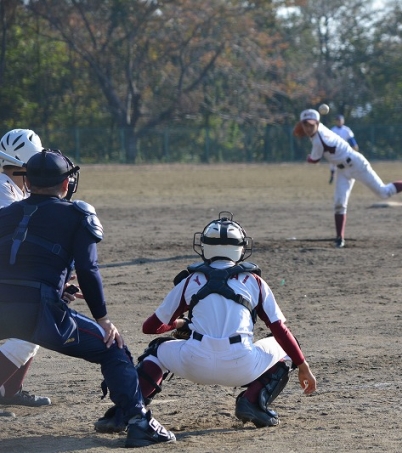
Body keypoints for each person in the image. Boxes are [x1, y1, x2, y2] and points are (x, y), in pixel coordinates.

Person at [0, 150, 175, 448]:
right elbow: (88, 269)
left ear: (27, 182)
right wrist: (103, 319)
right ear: (65, 183)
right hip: (41, 312)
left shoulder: (5, 213)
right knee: (113, 349)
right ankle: (138, 421)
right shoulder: (77, 214)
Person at [96, 211, 317, 430]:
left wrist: (179, 324)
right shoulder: (254, 281)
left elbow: (150, 327)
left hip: (194, 363)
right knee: (287, 346)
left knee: (156, 351)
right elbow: (280, 330)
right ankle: (252, 402)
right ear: (240, 247)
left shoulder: (191, 280)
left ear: (204, 246)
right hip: (242, 365)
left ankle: (128, 411)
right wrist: (303, 366)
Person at [293, 108, 402, 248]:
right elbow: (311, 130)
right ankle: (339, 238)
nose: (308, 128)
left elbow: (314, 160)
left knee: (384, 192)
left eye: (311, 125)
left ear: (317, 123)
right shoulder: (320, 130)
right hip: (342, 170)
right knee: (339, 204)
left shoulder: (319, 139)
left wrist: (308, 158)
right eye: (305, 125)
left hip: (356, 164)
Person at [0, 129, 52, 415]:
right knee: (32, 326)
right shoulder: (3, 193)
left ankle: (9, 390)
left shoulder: (13, 189)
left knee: (36, 322)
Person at [328, 114, 359, 184]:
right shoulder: (332, 130)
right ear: (335, 121)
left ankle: (349, 176)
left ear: (343, 121)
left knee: (347, 163)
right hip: (335, 150)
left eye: (340, 120)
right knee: (332, 162)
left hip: (345, 150)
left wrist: (354, 145)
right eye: (337, 120)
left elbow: (351, 140)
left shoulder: (346, 130)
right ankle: (332, 175)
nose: (339, 121)